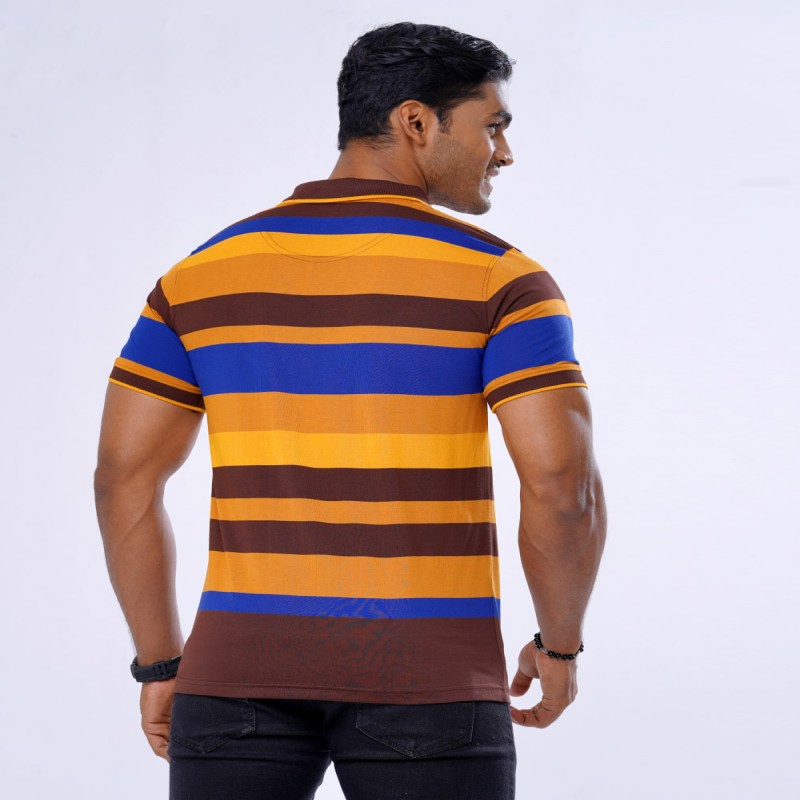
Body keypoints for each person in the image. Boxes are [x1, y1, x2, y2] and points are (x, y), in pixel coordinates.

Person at [94, 21, 606, 800]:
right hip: (429, 678)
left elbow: (121, 480)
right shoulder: (504, 282)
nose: (503, 152)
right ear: (416, 122)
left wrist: (160, 662)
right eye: (493, 126)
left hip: (234, 678)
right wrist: (559, 647)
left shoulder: (198, 277)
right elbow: (565, 488)